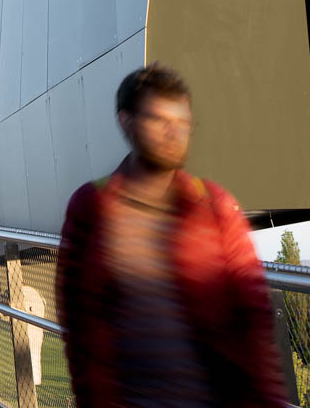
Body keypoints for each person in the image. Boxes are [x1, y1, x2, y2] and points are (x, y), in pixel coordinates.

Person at [55, 64, 287, 408]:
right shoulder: (90, 207)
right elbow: (79, 324)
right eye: (159, 119)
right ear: (126, 121)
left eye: (183, 122)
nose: (174, 132)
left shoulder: (215, 206)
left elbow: (253, 315)